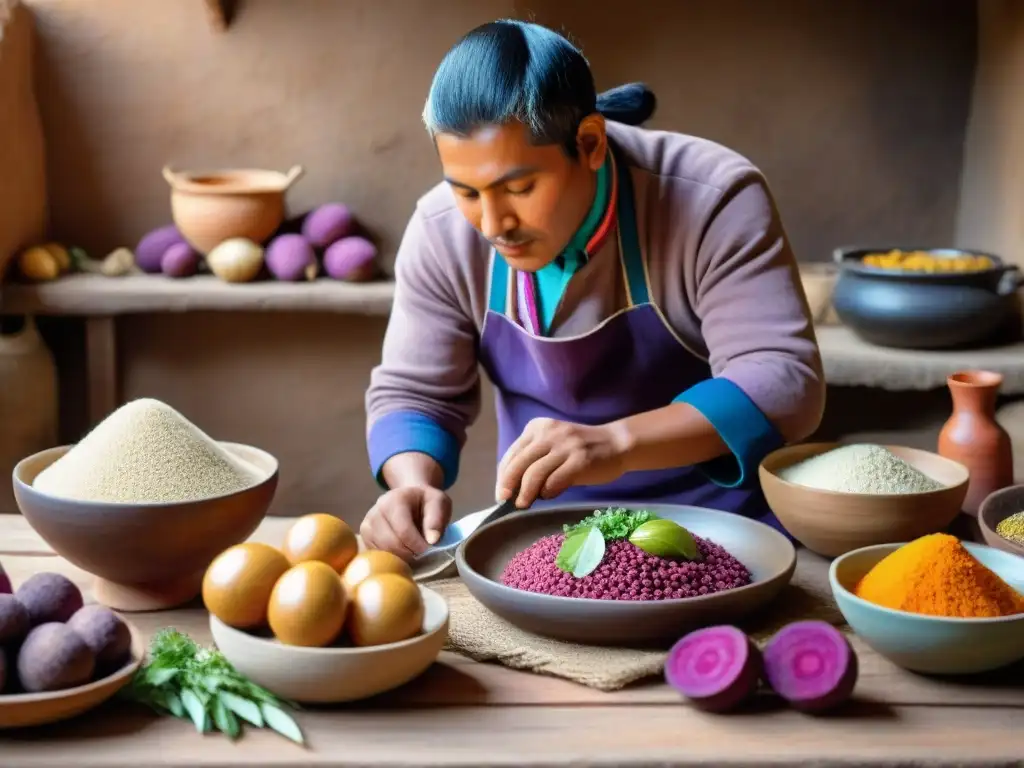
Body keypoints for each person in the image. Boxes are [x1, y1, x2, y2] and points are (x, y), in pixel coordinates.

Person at [359, 20, 824, 559]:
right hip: (544, 543)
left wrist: (615, 444)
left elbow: (782, 378)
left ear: (590, 143)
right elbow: (414, 394)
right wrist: (411, 483)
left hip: (720, 532)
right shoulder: (441, 231)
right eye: (465, 191)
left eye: (519, 188)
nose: (491, 224)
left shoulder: (711, 197)